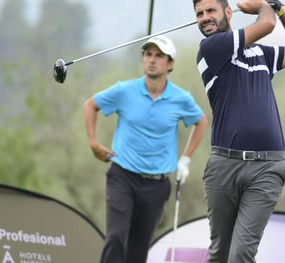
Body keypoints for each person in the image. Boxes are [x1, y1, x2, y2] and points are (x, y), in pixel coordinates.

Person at [193, 0, 285, 261]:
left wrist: (280, 8)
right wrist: (263, 6)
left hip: (267, 168)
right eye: (199, 14)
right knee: (220, 253)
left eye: (210, 11)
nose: (204, 18)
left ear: (228, 13)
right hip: (224, 166)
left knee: (242, 253)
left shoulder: (261, 54)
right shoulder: (211, 49)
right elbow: (267, 24)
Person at [83, 35, 208, 263]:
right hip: (122, 176)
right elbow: (91, 105)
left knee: (138, 250)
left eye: (159, 55)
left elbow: (201, 121)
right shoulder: (125, 90)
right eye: (147, 54)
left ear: (170, 63)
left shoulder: (180, 98)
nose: (152, 60)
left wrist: (186, 159)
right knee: (116, 237)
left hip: (157, 185)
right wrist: (93, 142)